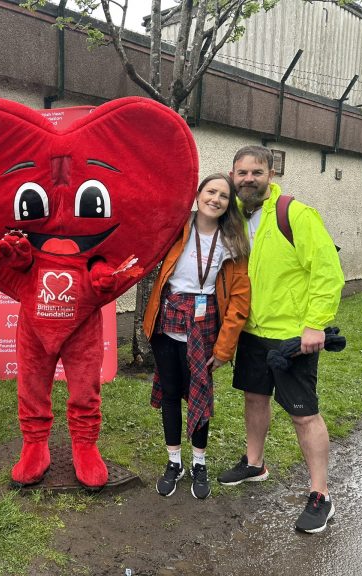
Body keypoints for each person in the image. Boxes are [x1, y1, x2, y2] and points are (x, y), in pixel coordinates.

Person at [217, 145, 344, 533]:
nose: (248, 179)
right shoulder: (232, 215)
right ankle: (255, 463)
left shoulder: (295, 214)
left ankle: (320, 494)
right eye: (241, 173)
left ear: (271, 174)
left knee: (303, 415)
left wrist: (315, 324)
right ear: (233, 176)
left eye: (256, 172)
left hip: (292, 336)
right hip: (252, 332)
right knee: (254, 398)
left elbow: (327, 270)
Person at [143, 174, 251, 499]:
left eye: (223, 195)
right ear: (198, 194)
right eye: (210, 191)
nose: (215, 199)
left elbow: (240, 301)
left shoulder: (233, 243)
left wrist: (223, 349)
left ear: (229, 204)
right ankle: (174, 461)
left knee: (199, 395)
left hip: (204, 328)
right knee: (172, 393)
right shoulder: (177, 229)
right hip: (168, 323)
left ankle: (199, 463)